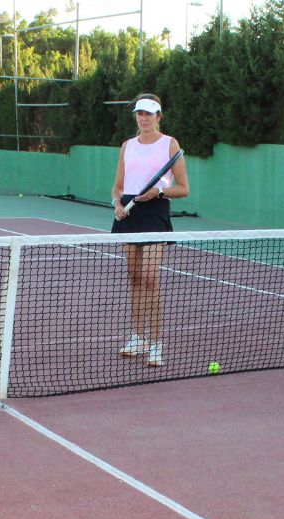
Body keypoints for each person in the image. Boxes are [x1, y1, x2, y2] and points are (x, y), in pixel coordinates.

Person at [111, 94, 189, 367]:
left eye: (149, 113)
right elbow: (118, 185)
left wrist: (159, 191)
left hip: (155, 212)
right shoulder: (127, 146)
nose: (144, 118)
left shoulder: (170, 144)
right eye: (140, 113)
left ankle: (156, 344)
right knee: (134, 278)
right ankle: (138, 337)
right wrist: (117, 203)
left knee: (150, 278)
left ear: (159, 116)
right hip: (129, 214)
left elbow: (183, 188)